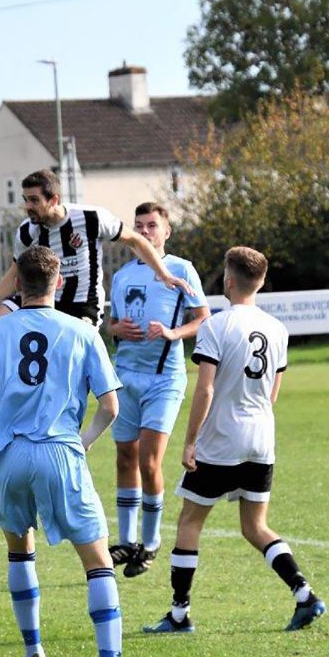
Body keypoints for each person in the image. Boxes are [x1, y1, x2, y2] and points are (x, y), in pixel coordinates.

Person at [0, 246, 127, 657]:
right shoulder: (83, 331)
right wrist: (83, 442)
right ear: (61, 284)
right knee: (97, 558)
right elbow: (110, 406)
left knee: (19, 551)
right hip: (60, 451)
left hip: (9, 453)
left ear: (16, 284)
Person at [143, 246, 326, 634]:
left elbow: (205, 391)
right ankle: (304, 595)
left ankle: (179, 615)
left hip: (222, 439)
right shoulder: (277, 328)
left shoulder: (216, 326)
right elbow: (273, 392)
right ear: (259, 282)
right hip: (261, 438)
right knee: (255, 527)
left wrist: (190, 441)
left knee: (190, 522)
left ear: (228, 280)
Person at [0, 168, 194, 403]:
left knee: (64, 359)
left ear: (54, 199)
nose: (28, 206)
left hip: (82, 306)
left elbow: (136, 241)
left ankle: (90, 396)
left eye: (34, 200)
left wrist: (164, 273)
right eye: (25, 200)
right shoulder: (27, 232)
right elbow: (16, 268)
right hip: (38, 298)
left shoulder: (91, 218)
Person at [107, 203, 210, 578]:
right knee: (124, 459)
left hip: (164, 379)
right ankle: (127, 540)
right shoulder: (121, 276)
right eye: (139, 226)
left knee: (150, 462)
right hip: (125, 377)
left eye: (152, 225)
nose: (145, 231)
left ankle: (149, 544)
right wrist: (118, 330)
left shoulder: (180, 270)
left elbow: (202, 319)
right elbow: (113, 323)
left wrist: (172, 333)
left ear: (167, 231)